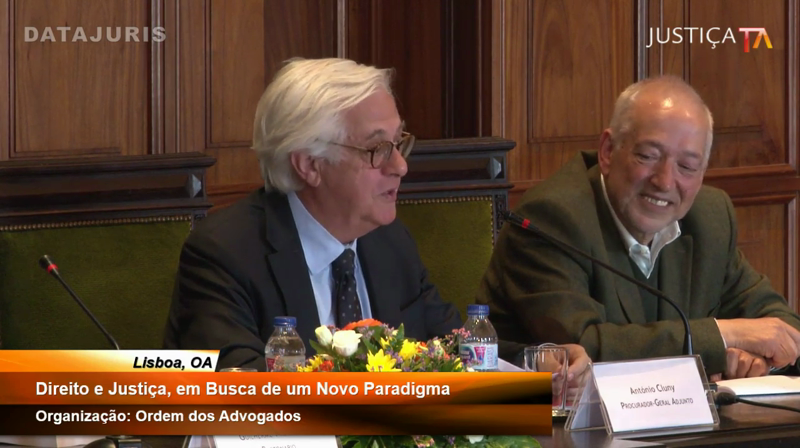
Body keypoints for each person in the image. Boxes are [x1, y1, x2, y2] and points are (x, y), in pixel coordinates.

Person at [162, 57, 591, 377]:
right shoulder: (227, 254)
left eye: (398, 143)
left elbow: (452, 352)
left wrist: (537, 364)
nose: (400, 166)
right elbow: (240, 389)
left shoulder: (388, 242)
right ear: (309, 164)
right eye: (377, 149)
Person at [477, 75, 800, 382]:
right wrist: (723, 336)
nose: (665, 181)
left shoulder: (709, 217)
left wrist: (753, 357)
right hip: (540, 415)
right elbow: (583, 349)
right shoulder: (552, 217)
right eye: (648, 156)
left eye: (687, 166)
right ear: (608, 151)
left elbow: (780, 326)